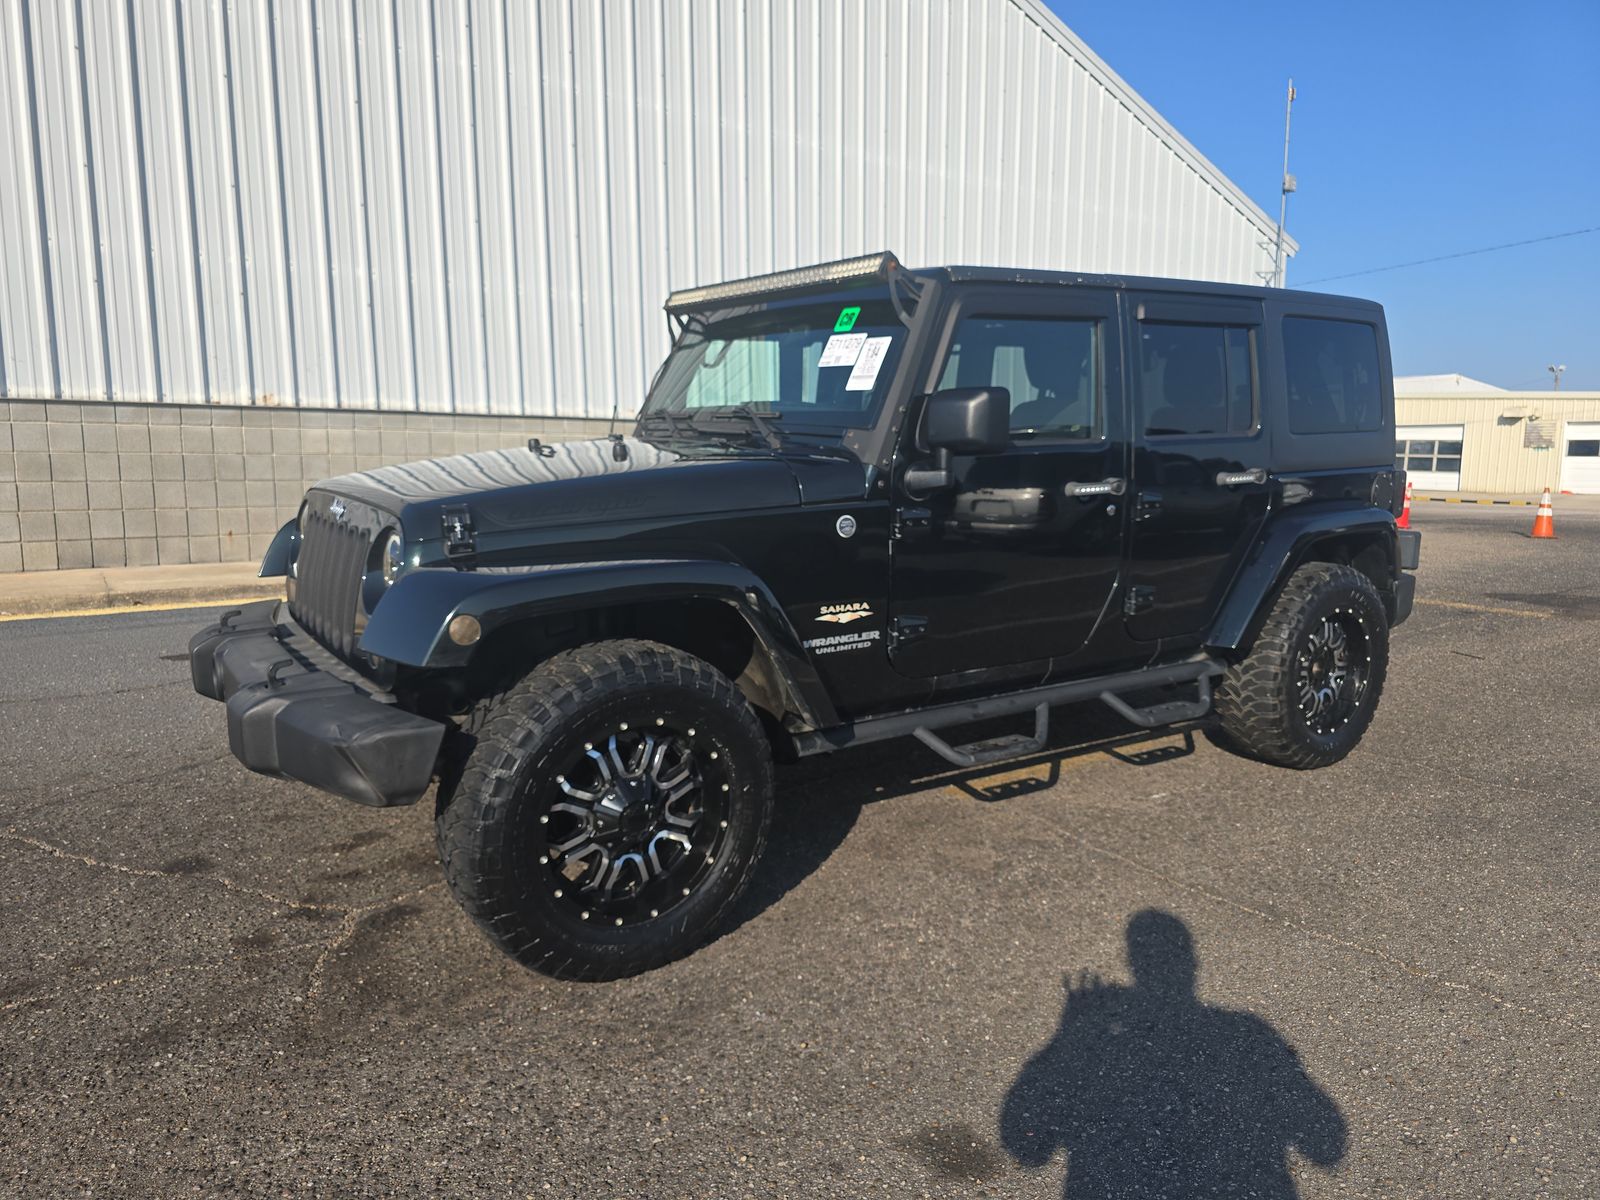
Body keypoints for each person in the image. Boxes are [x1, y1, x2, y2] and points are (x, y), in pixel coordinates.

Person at [1000, 910, 1346, 1198]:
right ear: (1193, 964)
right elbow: (1327, 1145)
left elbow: (1027, 1145)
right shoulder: (1247, 1032)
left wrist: (1069, 1035)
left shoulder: (1099, 1041)